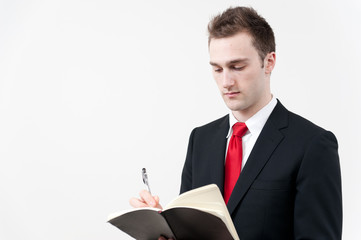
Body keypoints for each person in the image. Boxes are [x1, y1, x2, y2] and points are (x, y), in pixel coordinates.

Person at [130, 6, 342, 240]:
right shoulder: (201, 140)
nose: (226, 81)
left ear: (269, 62)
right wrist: (164, 230)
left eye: (237, 67)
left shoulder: (312, 145)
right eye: (217, 69)